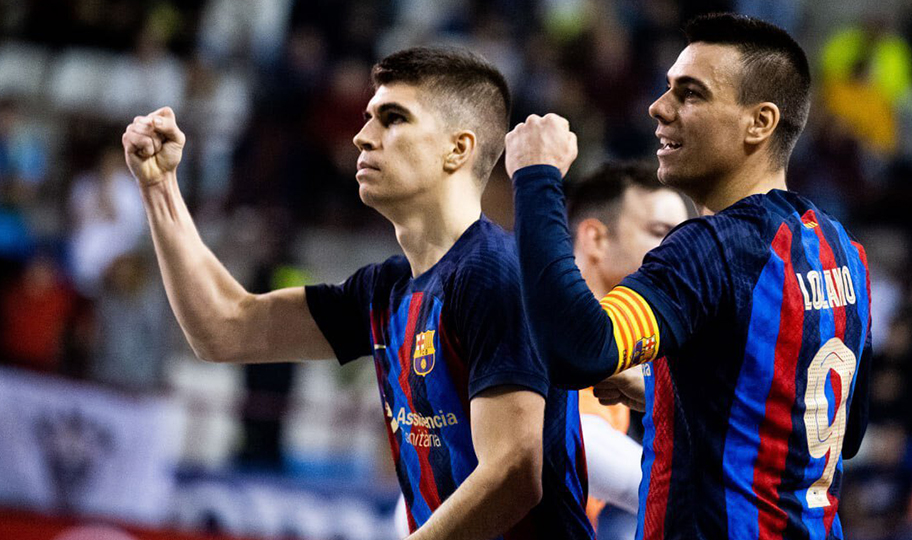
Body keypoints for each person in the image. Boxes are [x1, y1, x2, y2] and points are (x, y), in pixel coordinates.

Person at [121, 47, 592, 539]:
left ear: (457, 149)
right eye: (369, 117)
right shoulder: (384, 289)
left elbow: (515, 471)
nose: (362, 136)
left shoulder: (494, 273)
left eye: (392, 118)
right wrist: (158, 186)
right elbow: (225, 329)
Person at [505, 13, 872, 540]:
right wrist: (665, 391)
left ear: (759, 122)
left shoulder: (713, 246)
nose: (659, 107)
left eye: (691, 93)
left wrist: (537, 177)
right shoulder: (842, 250)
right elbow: (841, 430)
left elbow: (577, 349)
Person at [564, 161, 688, 529]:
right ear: (595, 239)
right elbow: (577, 440)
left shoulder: (626, 343)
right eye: (660, 232)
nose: (681, 252)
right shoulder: (544, 326)